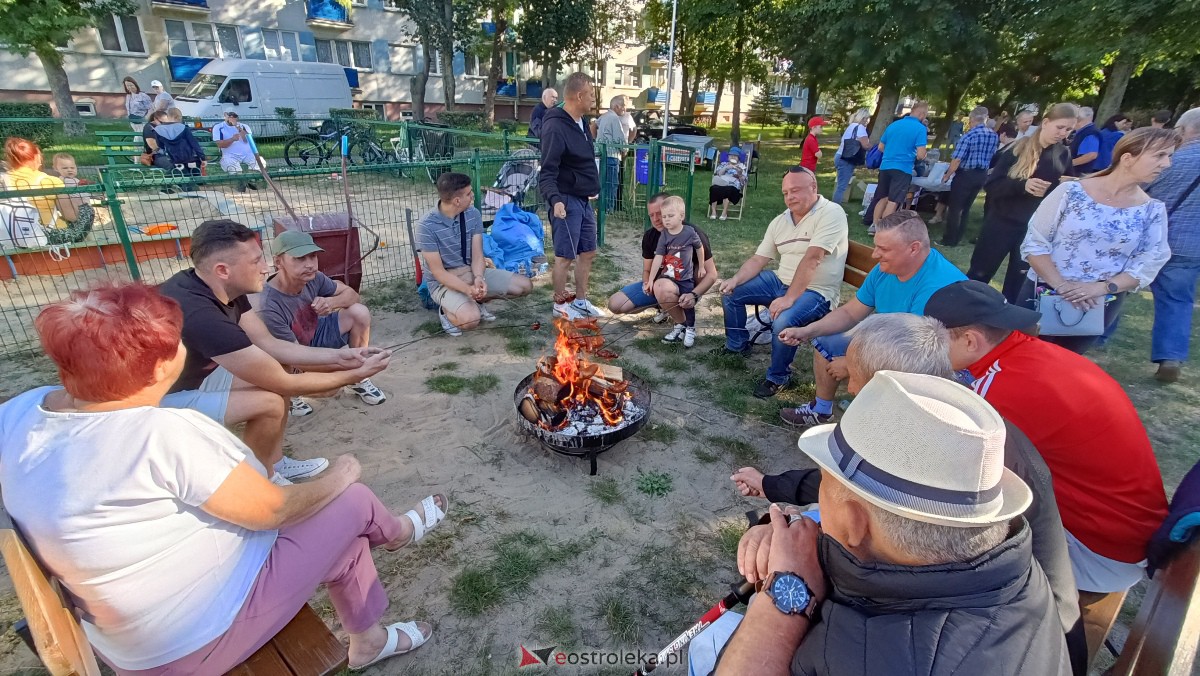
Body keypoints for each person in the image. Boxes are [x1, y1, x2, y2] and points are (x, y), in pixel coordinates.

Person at [0, 281, 447, 674]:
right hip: (189, 643)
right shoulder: (163, 436)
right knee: (350, 500)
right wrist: (342, 473)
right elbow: (272, 510)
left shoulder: (17, 411)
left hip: (125, 630)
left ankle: (368, 637)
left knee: (339, 533)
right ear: (160, 368)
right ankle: (395, 533)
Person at [730, 311, 1088, 674]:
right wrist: (784, 522)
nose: (849, 387)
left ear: (887, 386)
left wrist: (788, 590)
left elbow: (861, 521)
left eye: (854, 376)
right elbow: (890, 544)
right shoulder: (973, 431)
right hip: (1026, 619)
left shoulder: (860, 651)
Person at [925, 280, 1169, 653]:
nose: (931, 353)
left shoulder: (1000, 391)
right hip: (1129, 531)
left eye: (934, 343)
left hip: (1097, 549)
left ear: (971, 341)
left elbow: (946, 466)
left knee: (937, 533)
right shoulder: (1031, 355)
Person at [158, 219, 391, 484]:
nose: (265, 267)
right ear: (222, 269)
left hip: (192, 376)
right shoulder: (202, 315)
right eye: (256, 261)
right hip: (157, 400)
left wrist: (341, 357)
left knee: (276, 374)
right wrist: (353, 374)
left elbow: (270, 344)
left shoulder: (221, 288)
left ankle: (274, 461)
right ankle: (262, 479)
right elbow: (285, 381)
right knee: (269, 400)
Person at [777, 210, 964, 425]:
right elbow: (850, 312)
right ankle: (821, 410)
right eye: (875, 246)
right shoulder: (885, 270)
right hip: (887, 342)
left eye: (883, 249)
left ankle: (870, 427)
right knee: (825, 342)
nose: (875, 255)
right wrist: (807, 330)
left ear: (914, 248)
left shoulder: (938, 287)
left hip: (924, 365)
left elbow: (913, 359)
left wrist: (850, 363)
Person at [1019, 127, 1176, 354]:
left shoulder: (1152, 210)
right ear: (1127, 158)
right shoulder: (1070, 192)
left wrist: (1100, 288)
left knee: (1065, 367)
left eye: (1169, 156)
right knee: (1021, 359)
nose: (1166, 164)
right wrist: (1062, 286)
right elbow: (1035, 242)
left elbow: (1149, 262)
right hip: (1041, 292)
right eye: (1159, 155)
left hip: (1097, 303)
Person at [712, 167, 848, 398]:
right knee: (731, 293)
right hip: (779, 280)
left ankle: (778, 376)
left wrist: (788, 298)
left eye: (795, 190)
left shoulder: (831, 213)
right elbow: (758, 259)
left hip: (816, 291)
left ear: (814, 187)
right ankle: (737, 345)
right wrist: (734, 279)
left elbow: (813, 258)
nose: (789, 197)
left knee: (783, 320)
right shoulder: (780, 221)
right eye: (785, 192)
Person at [256, 230, 388, 417]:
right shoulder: (269, 305)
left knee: (359, 312)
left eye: (313, 256)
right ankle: (290, 392)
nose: (310, 264)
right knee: (330, 389)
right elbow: (291, 355)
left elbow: (352, 295)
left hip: (314, 332)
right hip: (290, 352)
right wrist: (344, 368)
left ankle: (359, 379)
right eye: (300, 258)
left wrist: (332, 303)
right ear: (278, 262)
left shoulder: (313, 277)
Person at [967, 102, 1077, 303]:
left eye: (1069, 129)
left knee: (1018, 283)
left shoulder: (1063, 154)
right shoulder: (1018, 148)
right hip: (1002, 222)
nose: (1063, 133)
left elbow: (1064, 190)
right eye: (1060, 127)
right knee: (979, 275)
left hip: (1035, 229)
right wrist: (1022, 185)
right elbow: (992, 185)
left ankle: (1008, 326)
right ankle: (965, 316)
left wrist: (1064, 186)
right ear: (1045, 122)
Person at [416, 172, 533, 336]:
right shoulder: (426, 226)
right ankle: (447, 312)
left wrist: (478, 277)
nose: (473, 197)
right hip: (443, 282)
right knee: (471, 320)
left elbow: (477, 255)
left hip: (470, 271)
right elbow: (438, 273)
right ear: (457, 201)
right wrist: (466, 288)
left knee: (524, 286)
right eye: (469, 194)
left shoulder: (473, 214)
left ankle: (476, 301)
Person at [538, 72, 603, 320]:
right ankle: (559, 304)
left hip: (584, 200)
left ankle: (581, 301)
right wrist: (556, 201)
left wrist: (588, 186)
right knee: (565, 256)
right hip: (566, 200)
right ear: (578, 96)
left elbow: (581, 161)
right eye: (591, 95)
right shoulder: (555, 126)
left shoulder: (582, 122)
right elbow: (548, 171)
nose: (593, 100)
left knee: (587, 252)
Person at [607, 192, 717, 325]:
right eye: (651, 215)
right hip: (659, 285)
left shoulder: (693, 233)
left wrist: (694, 295)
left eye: (659, 213)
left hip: (686, 286)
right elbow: (647, 270)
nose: (656, 219)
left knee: (695, 270)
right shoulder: (650, 236)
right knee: (615, 304)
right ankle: (664, 307)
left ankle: (683, 324)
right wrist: (648, 285)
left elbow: (711, 274)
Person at [1148, 107, 1200, 382]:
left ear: (1184, 130)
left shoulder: (1174, 161)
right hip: (1194, 245)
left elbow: (1142, 187)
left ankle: (1097, 334)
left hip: (1159, 236)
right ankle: (1170, 356)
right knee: (1178, 300)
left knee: (1119, 286)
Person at [1, 137, 94, 245]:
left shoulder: (3, 180)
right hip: (49, 235)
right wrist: (84, 206)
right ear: (36, 158)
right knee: (87, 211)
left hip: (11, 235)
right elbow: (70, 216)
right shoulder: (50, 181)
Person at [644, 196, 706, 347]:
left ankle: (690, 328)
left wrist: (702, 266)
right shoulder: (664, 235)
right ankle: (679, 323)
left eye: (670, 216)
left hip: (685, 278)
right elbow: (658, 257)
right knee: (663, 290)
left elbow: (699, 248)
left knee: (687, 303)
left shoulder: (690, 232)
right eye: (664, 216)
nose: (665, 220)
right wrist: (650, 280)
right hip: (669, 277)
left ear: (681, 216)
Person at [940, 106, 999, 246]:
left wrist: (947, 175)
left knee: (955, 208)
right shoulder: (993, 135)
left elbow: (957, 159)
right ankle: (959, 236)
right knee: (966, 208)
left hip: (965, 174)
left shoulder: (969, 135)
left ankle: (950, 239)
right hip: (981, 175)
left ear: (972, 119)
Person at [871, 101, 929, 227]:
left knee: (882, 197)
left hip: (885, 165)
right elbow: (920, 154)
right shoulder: (920, 128)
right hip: (903, 168)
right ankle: (884, 228)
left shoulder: (894, 125)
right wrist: (924, 156)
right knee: (893, 200)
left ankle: (874, 224)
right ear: (922, 114)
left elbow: (881, 147)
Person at [151, 108, 206, 191]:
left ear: (168, 116)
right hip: (187, 158)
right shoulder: (184, 128)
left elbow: (160, 145)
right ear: (178, 117)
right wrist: (202, 158)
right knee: (189, 167)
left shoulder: (158, 130)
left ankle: (167, 187)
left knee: (177, 168)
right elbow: (194, 144)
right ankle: (189, 187)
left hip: (172, 159)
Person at [595, 96, 628, 212]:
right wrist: (625, 150)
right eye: (624, 105)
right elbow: (619, 139)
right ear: (616, 106)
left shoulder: (603, 117)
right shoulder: (614, 119)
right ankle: (609, 208)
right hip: (612, 155)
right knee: (612, 183)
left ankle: (601, 206)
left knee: (602, 182)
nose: (625, 108)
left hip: (601, 154)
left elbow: (594, 125)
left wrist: (597, 141)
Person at [212, 110, 259, 192]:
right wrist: (232, 139)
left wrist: (237, 127)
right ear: (225, 116)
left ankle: (253, 182)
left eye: (234, 117)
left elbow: (247, 140)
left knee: (259, 162)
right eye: (230, 116)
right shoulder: (218, 127)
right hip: (230, 155)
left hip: (248, 154)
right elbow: (220, 144)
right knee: (230, 165)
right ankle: (241, 185)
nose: (232, 118)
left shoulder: (244, 126)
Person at [831, 109, 871, 204]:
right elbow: (866, 145)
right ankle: (835, 209)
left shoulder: (851, 126)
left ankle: (834, 207)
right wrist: (876, 147)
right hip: (847, 159)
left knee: (840, 185)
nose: (868, 121)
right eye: (867, 118)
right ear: (864, 118)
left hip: (839, 156)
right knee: (842, 187)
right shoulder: (860, 128)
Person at [708, 147, 748, 220]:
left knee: (728, 190)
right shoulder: (723, 164)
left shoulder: (741, 167)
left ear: (738, 158)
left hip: (732, 186)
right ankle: (713, 212)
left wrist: (739, 174)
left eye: (735, 156)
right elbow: (718, 174)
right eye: (731, 155)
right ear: (728, 157)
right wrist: (726, 168)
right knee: (713, 189)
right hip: (721, 183)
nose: (732, 157)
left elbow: (743, 182)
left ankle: (724, 213)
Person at [1069, 106, 1101, 175]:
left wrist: (1068, 164)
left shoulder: (1090, 133)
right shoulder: (1085, 132)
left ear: (1078, 119)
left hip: (1080, 173)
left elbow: (1091, 155)